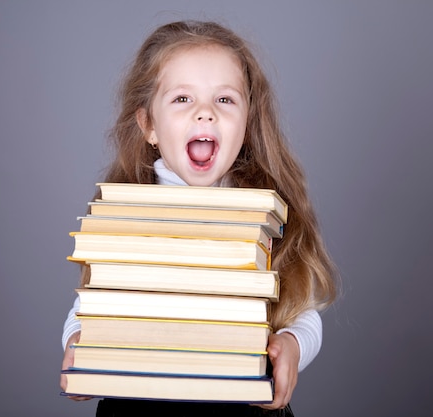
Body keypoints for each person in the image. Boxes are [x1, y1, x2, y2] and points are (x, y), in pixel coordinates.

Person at [60, 20, 338, 417]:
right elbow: (91, 304)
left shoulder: (265, 218)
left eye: (224, 100)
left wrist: (292, 344)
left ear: (246, 122)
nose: (205, 114)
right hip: (139, 405)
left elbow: (303, 311)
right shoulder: (127, 214)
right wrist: (76, 342)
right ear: (149, 126)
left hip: (240, 405)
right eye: (182, 99)